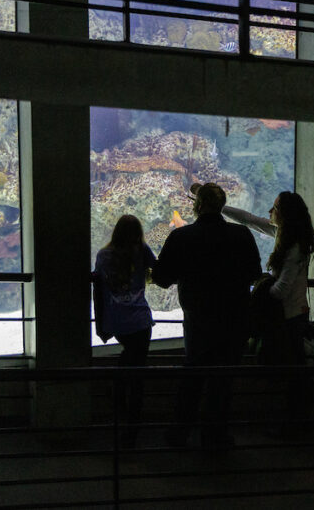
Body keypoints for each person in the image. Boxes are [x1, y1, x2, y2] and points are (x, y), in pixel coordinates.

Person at [152, 182, 262, 450]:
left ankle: (179, 434)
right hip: (234, 319)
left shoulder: (182, 237)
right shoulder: (242, 235)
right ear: (222, 205)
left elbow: (163, 278)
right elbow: (253, 274)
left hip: (198, 320)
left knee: (193, 375)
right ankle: (215, 436)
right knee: (223, 380)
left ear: (197, 205)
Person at [221, 188, 314, 431]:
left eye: (275, 208)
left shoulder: (294, 246)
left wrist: (262, 286)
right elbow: (249, 220)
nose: (270, 211)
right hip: (289, 316)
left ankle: (296, 423)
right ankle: (294, 422)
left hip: (289, 319)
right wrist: (220, 208)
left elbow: (282, 289)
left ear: (284, 214)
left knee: (291, 371)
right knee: (291, 370)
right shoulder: (284, 235)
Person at [93, 214, 156, 447]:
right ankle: (132, 426)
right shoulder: (142, 250)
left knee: (129, 363)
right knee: (137, 374)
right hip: (140, 321)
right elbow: (158, 271)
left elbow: (98, 286)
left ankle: (119, 402)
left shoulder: (103, 255)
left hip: (118, 323)